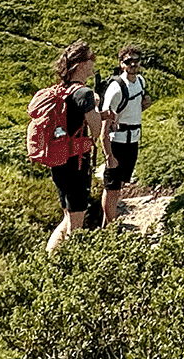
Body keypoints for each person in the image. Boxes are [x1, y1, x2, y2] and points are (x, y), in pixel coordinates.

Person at [46, 40, 102, 253]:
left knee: (67, 217)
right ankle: (69, 264)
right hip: (77, 163)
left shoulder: (60, 90)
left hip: (59, 160)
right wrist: (96, 107)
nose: (93, 64)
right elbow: (96, 131)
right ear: (80, 64)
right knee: (76, 223)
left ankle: (49, 259)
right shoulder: (84, 94)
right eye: (90, 59)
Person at [100, 44, 152, 220]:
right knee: (111, 188)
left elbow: (132, 112)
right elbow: (104, 128)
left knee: (119, 184)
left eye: (136, 60)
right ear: (121, 64)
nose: (133, 64)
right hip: (117, 143)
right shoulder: (115, 88)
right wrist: (108, 156)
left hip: (133, 141)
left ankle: (110, 223)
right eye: (128, 61)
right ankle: (109, 227)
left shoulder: (141, 82)